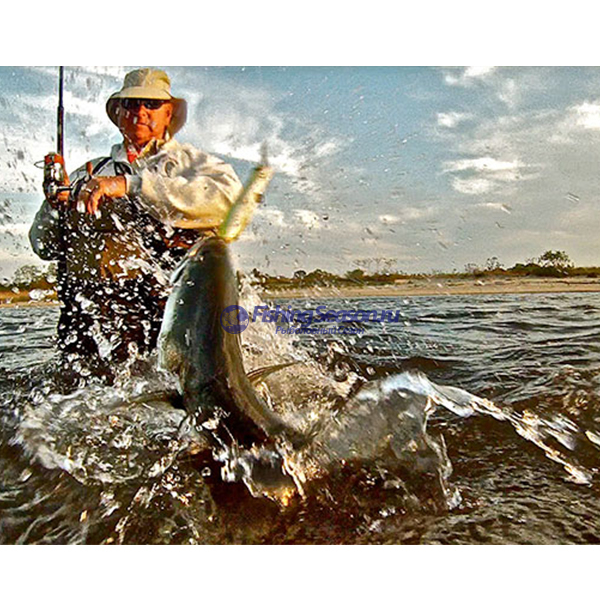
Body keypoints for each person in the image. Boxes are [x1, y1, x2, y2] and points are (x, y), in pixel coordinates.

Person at [29, 68, 243, 376]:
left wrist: (130, 185)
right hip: (93, 331)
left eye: (151, 104)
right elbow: (43, 246)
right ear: (118, 113)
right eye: (130, 104)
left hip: (181, 324)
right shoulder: (85, 174)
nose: (140, 112)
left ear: (169, 114)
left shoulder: (197, 166)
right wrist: (54, 209)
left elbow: (230, 203)